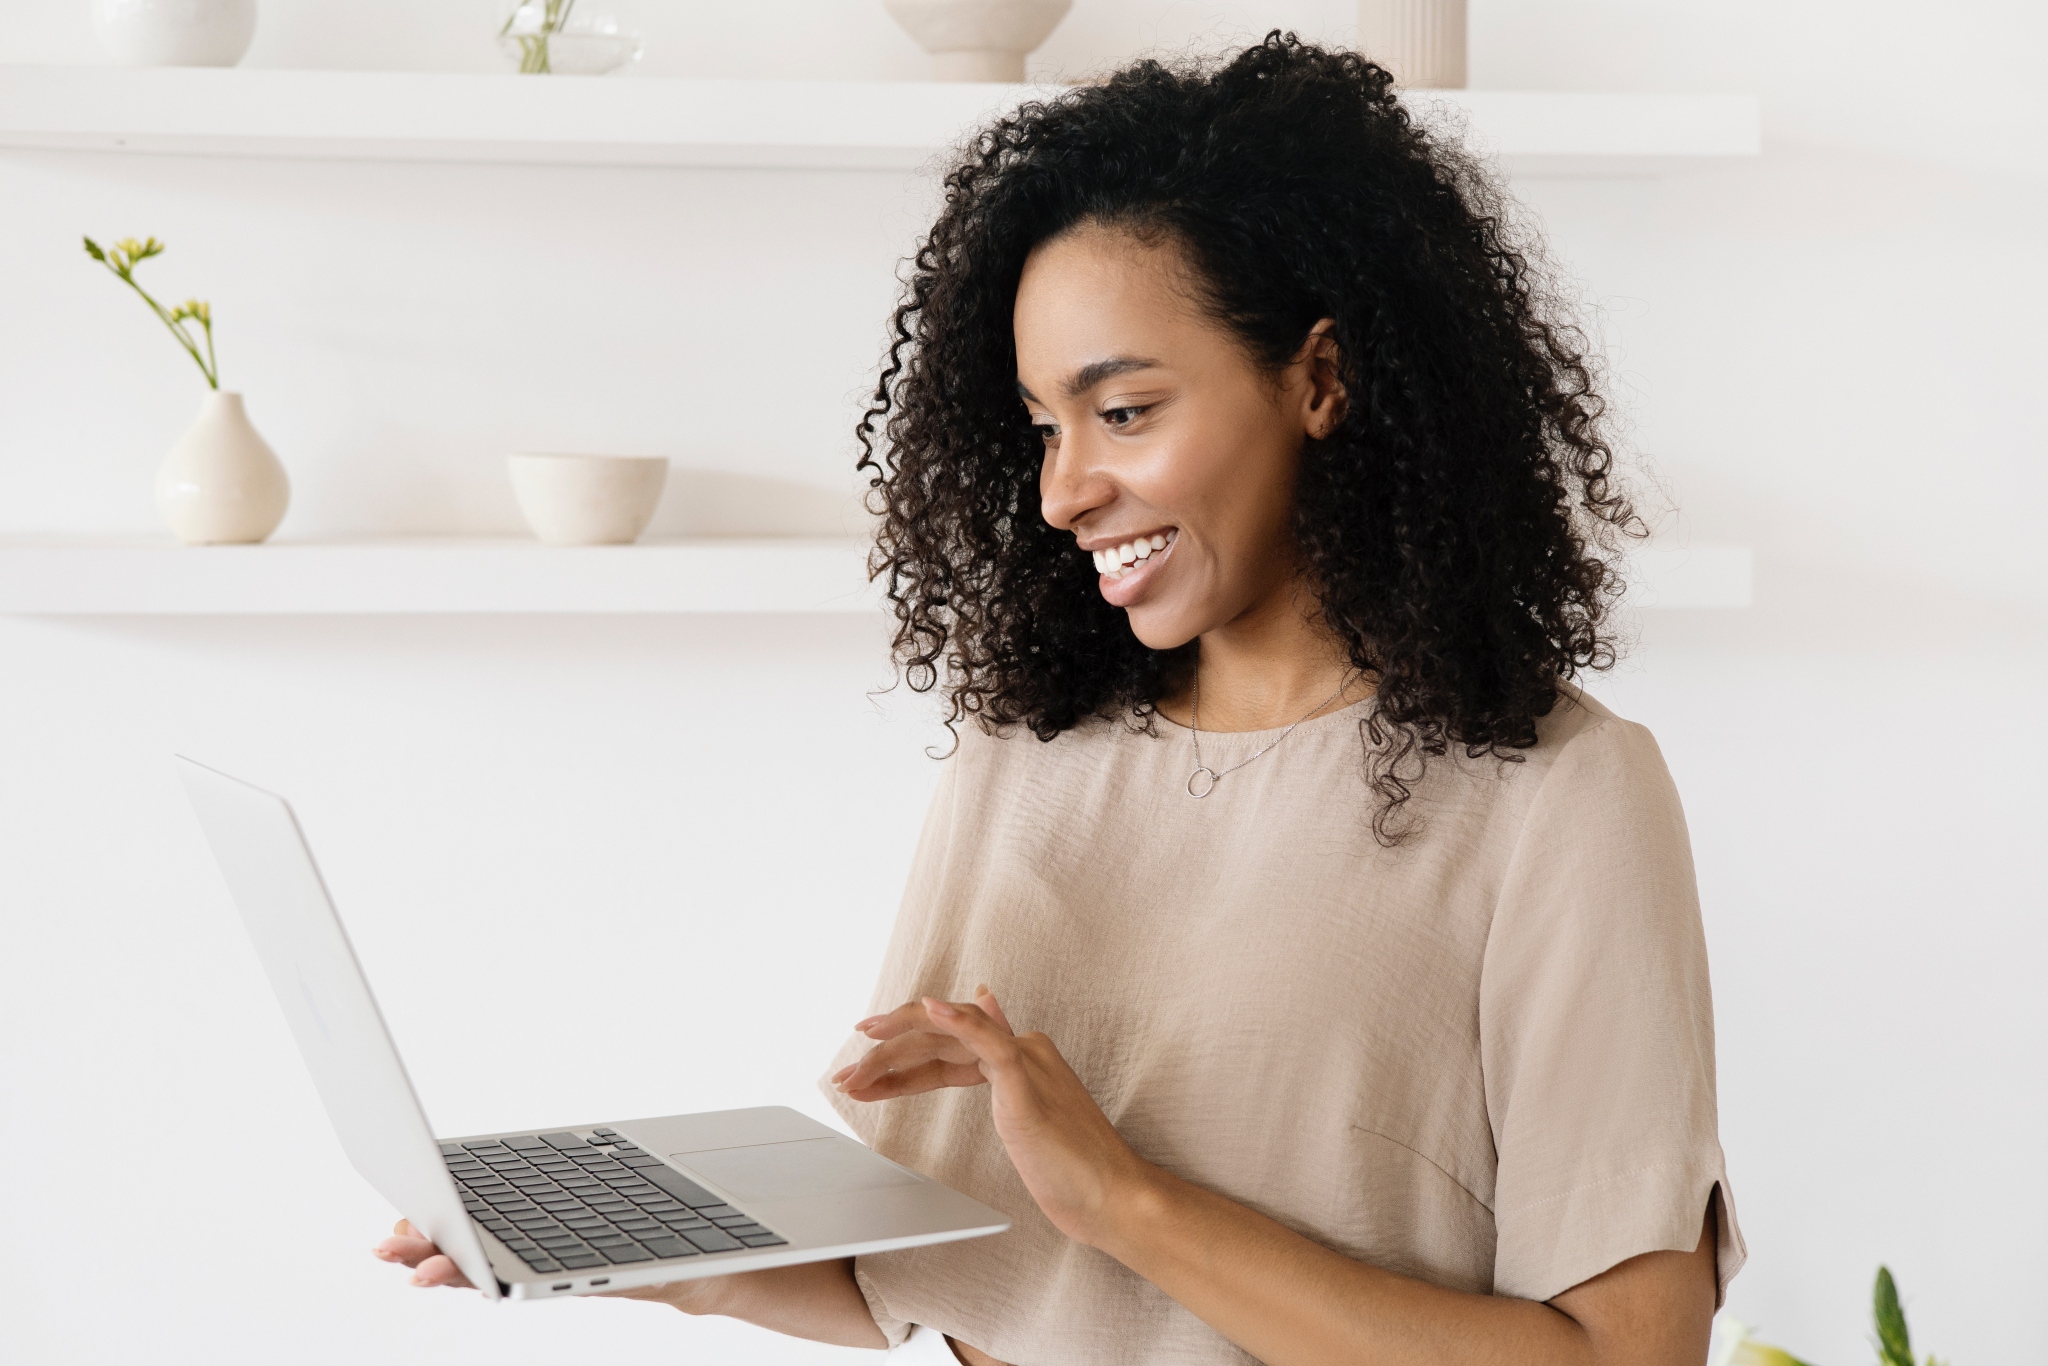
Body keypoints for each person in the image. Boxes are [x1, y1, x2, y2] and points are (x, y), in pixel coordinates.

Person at [378, 34, 1745, 1366]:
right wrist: (653, 1247)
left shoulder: (1557, 795)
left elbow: (1632, 1352)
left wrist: (1128, 1202)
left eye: (1126, 412)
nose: (1064, 489)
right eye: (1043, 425)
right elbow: (931, 1266)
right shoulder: (1025, 754)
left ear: (1319, 379)